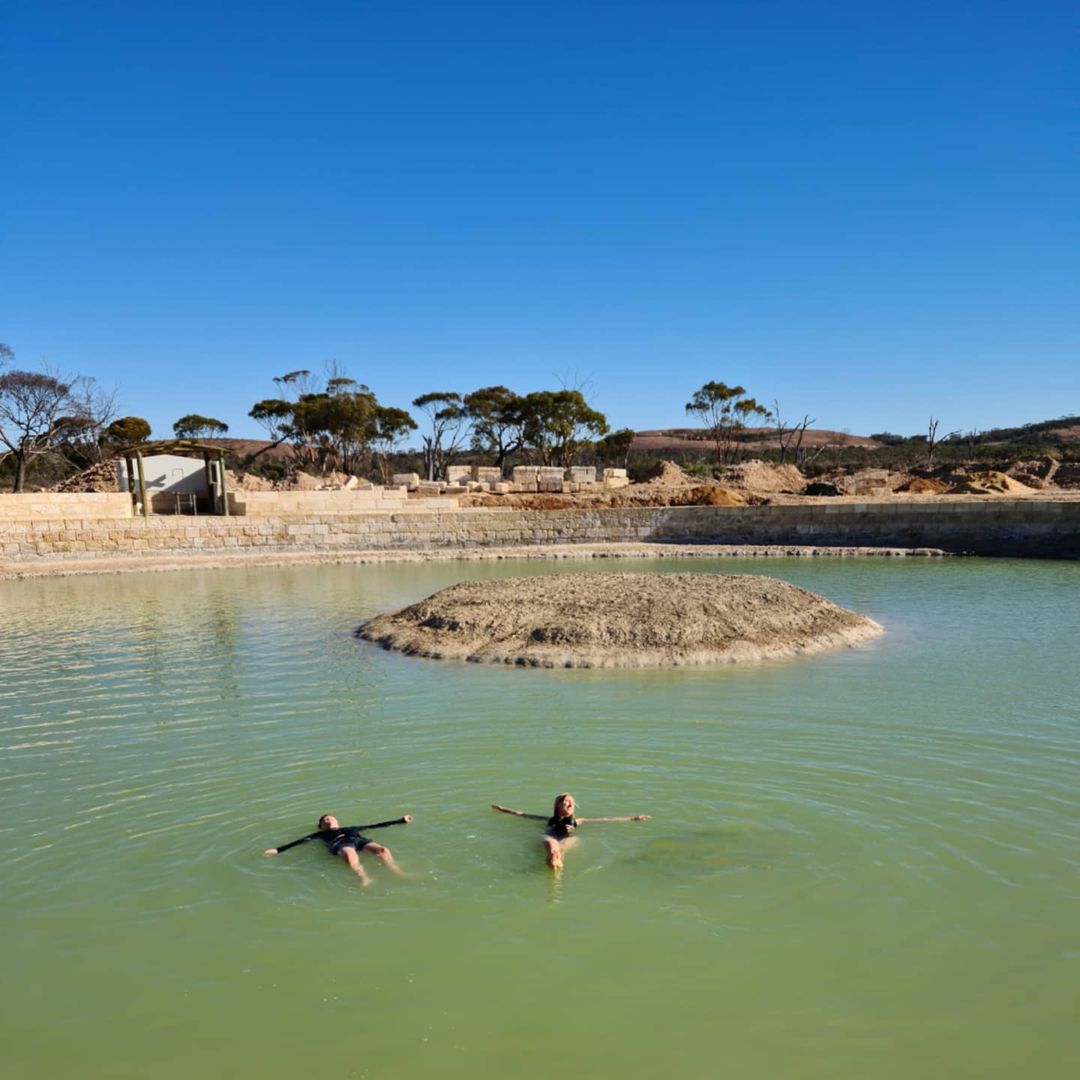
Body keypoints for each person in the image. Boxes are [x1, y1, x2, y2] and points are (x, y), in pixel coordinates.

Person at [491, 792, 650, 871]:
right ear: (557, 806)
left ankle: (556, 862)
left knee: (561, 847)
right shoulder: (549, 820)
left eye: (571, 803)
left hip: (569, 838)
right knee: (551, 844)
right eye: (565, 802)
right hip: (551, 835)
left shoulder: (578, 821)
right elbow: (522, 814)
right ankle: (553, 857)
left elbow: (606, 819)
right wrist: (502, 809)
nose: (568, 804)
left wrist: (633, 818)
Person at [263, 812, 412, 886]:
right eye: (324, 820)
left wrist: (400, 821)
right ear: (320, 826)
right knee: (349, 854)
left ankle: (396, 870)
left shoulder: (351, 828)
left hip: (358, 840)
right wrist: (277, 850)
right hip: (340, 844)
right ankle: (364, 877)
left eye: (331, 817)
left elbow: (376, 825)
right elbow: (299, 842)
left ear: (337, 821)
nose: (328, 819)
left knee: (383, 850)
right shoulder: (320, 834)